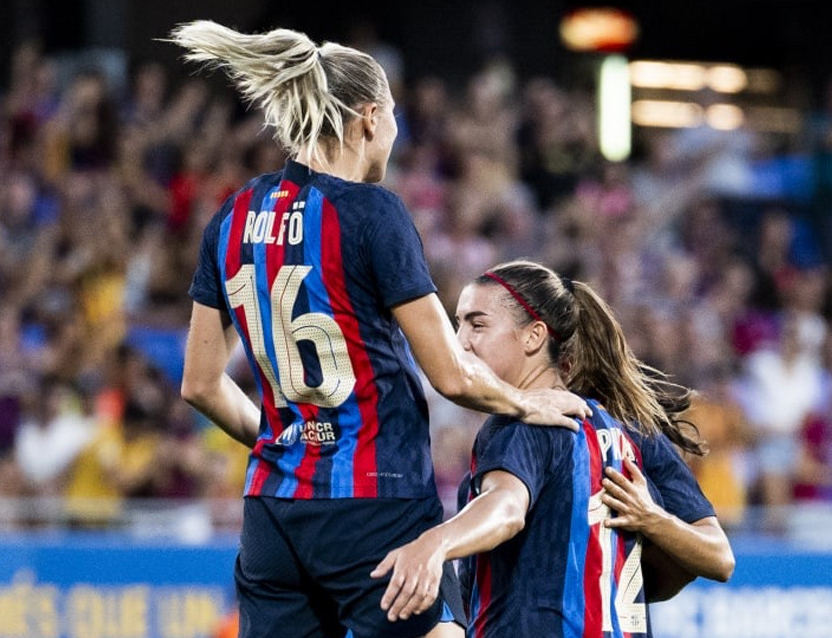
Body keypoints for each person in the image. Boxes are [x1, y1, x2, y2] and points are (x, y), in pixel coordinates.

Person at [169, 22, 589, 638]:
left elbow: (201, 385)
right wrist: (527, 403)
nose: (394, 134)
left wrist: (294, 444)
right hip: (373, 500)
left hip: (272, 516)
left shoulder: (232, 215)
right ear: (370, 117)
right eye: (393, 117)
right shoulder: (373, 212)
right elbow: (450, 373)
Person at [374, 261, 734, 636]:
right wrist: (654, 523)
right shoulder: (631, 430)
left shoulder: (529, 422)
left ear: (533, 336)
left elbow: (507, 508)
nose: (460, 341)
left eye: (477, 324)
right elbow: (706, 563)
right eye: (459, 323)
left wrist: (434, 543)